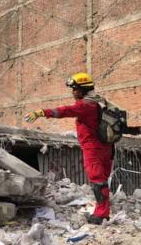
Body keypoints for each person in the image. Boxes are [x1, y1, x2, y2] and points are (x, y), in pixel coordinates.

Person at [24, 72, 113, 225]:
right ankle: (103, 210)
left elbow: (65, 111)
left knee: (97, 180)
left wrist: (41, 112)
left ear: (83, 89)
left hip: (93, 148)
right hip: (107, 146)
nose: (73, 92)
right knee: (102, 180)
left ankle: (101, 214)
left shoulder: (86, 104)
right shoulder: (100, 101)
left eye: (75, 89)